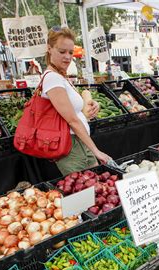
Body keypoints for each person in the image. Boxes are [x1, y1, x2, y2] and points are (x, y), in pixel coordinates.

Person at [42, 26, 111, 175]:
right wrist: (96, 151)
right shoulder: (52, 78)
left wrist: (93, 105)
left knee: (95, 189)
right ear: (49, 48)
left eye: (70, 52)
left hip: (81, 142)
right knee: (84, 193)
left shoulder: (60, 76)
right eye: (62, 51)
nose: (67, 56)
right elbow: (72, 120)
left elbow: (75, 111)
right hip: (70, 146)